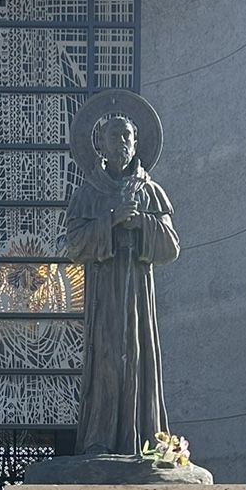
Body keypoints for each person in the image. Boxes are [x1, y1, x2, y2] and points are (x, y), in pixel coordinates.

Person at [67, 111, 180, 458]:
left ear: (137, 142)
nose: (122, 143)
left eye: (127, 136)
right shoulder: (88, 194)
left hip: (138, 295)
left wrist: (141, 223)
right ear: (100, 145)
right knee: (105, 358)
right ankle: (99, 439)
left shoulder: (151, 192)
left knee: (139, 358)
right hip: (104, 294)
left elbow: (171, 247)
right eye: (114, 136)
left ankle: (145, 439)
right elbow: (74, 246)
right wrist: (111, 221)